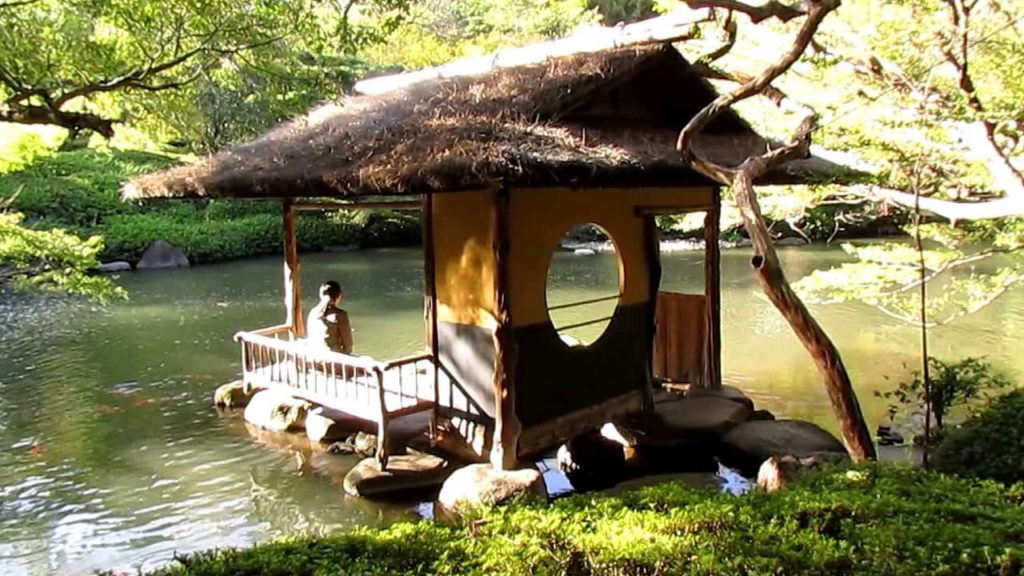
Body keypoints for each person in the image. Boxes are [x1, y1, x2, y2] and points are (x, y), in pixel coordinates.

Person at [307, 281, 353, 354]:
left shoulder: (313, 312)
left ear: (320, 295)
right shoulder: (340, 315)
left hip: (314, 356)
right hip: (331, 360)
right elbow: (348, 347)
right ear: (339, 296)